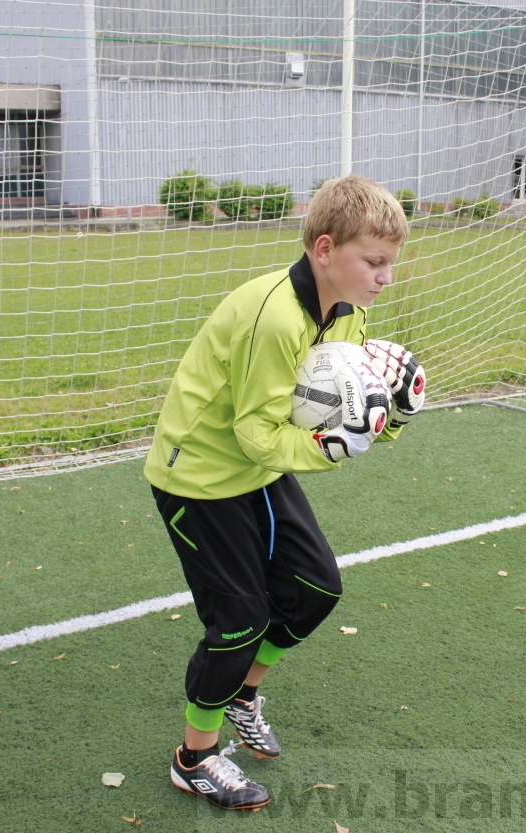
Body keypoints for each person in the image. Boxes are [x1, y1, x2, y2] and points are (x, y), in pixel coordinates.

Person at [144, 174, 427, 811]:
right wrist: (336, 449)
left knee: (316, 590)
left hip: (261, 466)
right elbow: (255, 435)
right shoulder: (274, 316)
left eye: (391, 263)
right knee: (239, 620)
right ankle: (194, 757)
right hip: (201, 477)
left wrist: (389, 417)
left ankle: (243, 695)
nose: (386, 277)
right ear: (325, 250)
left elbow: (334, 406)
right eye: (374, 262)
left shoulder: (349, 313)